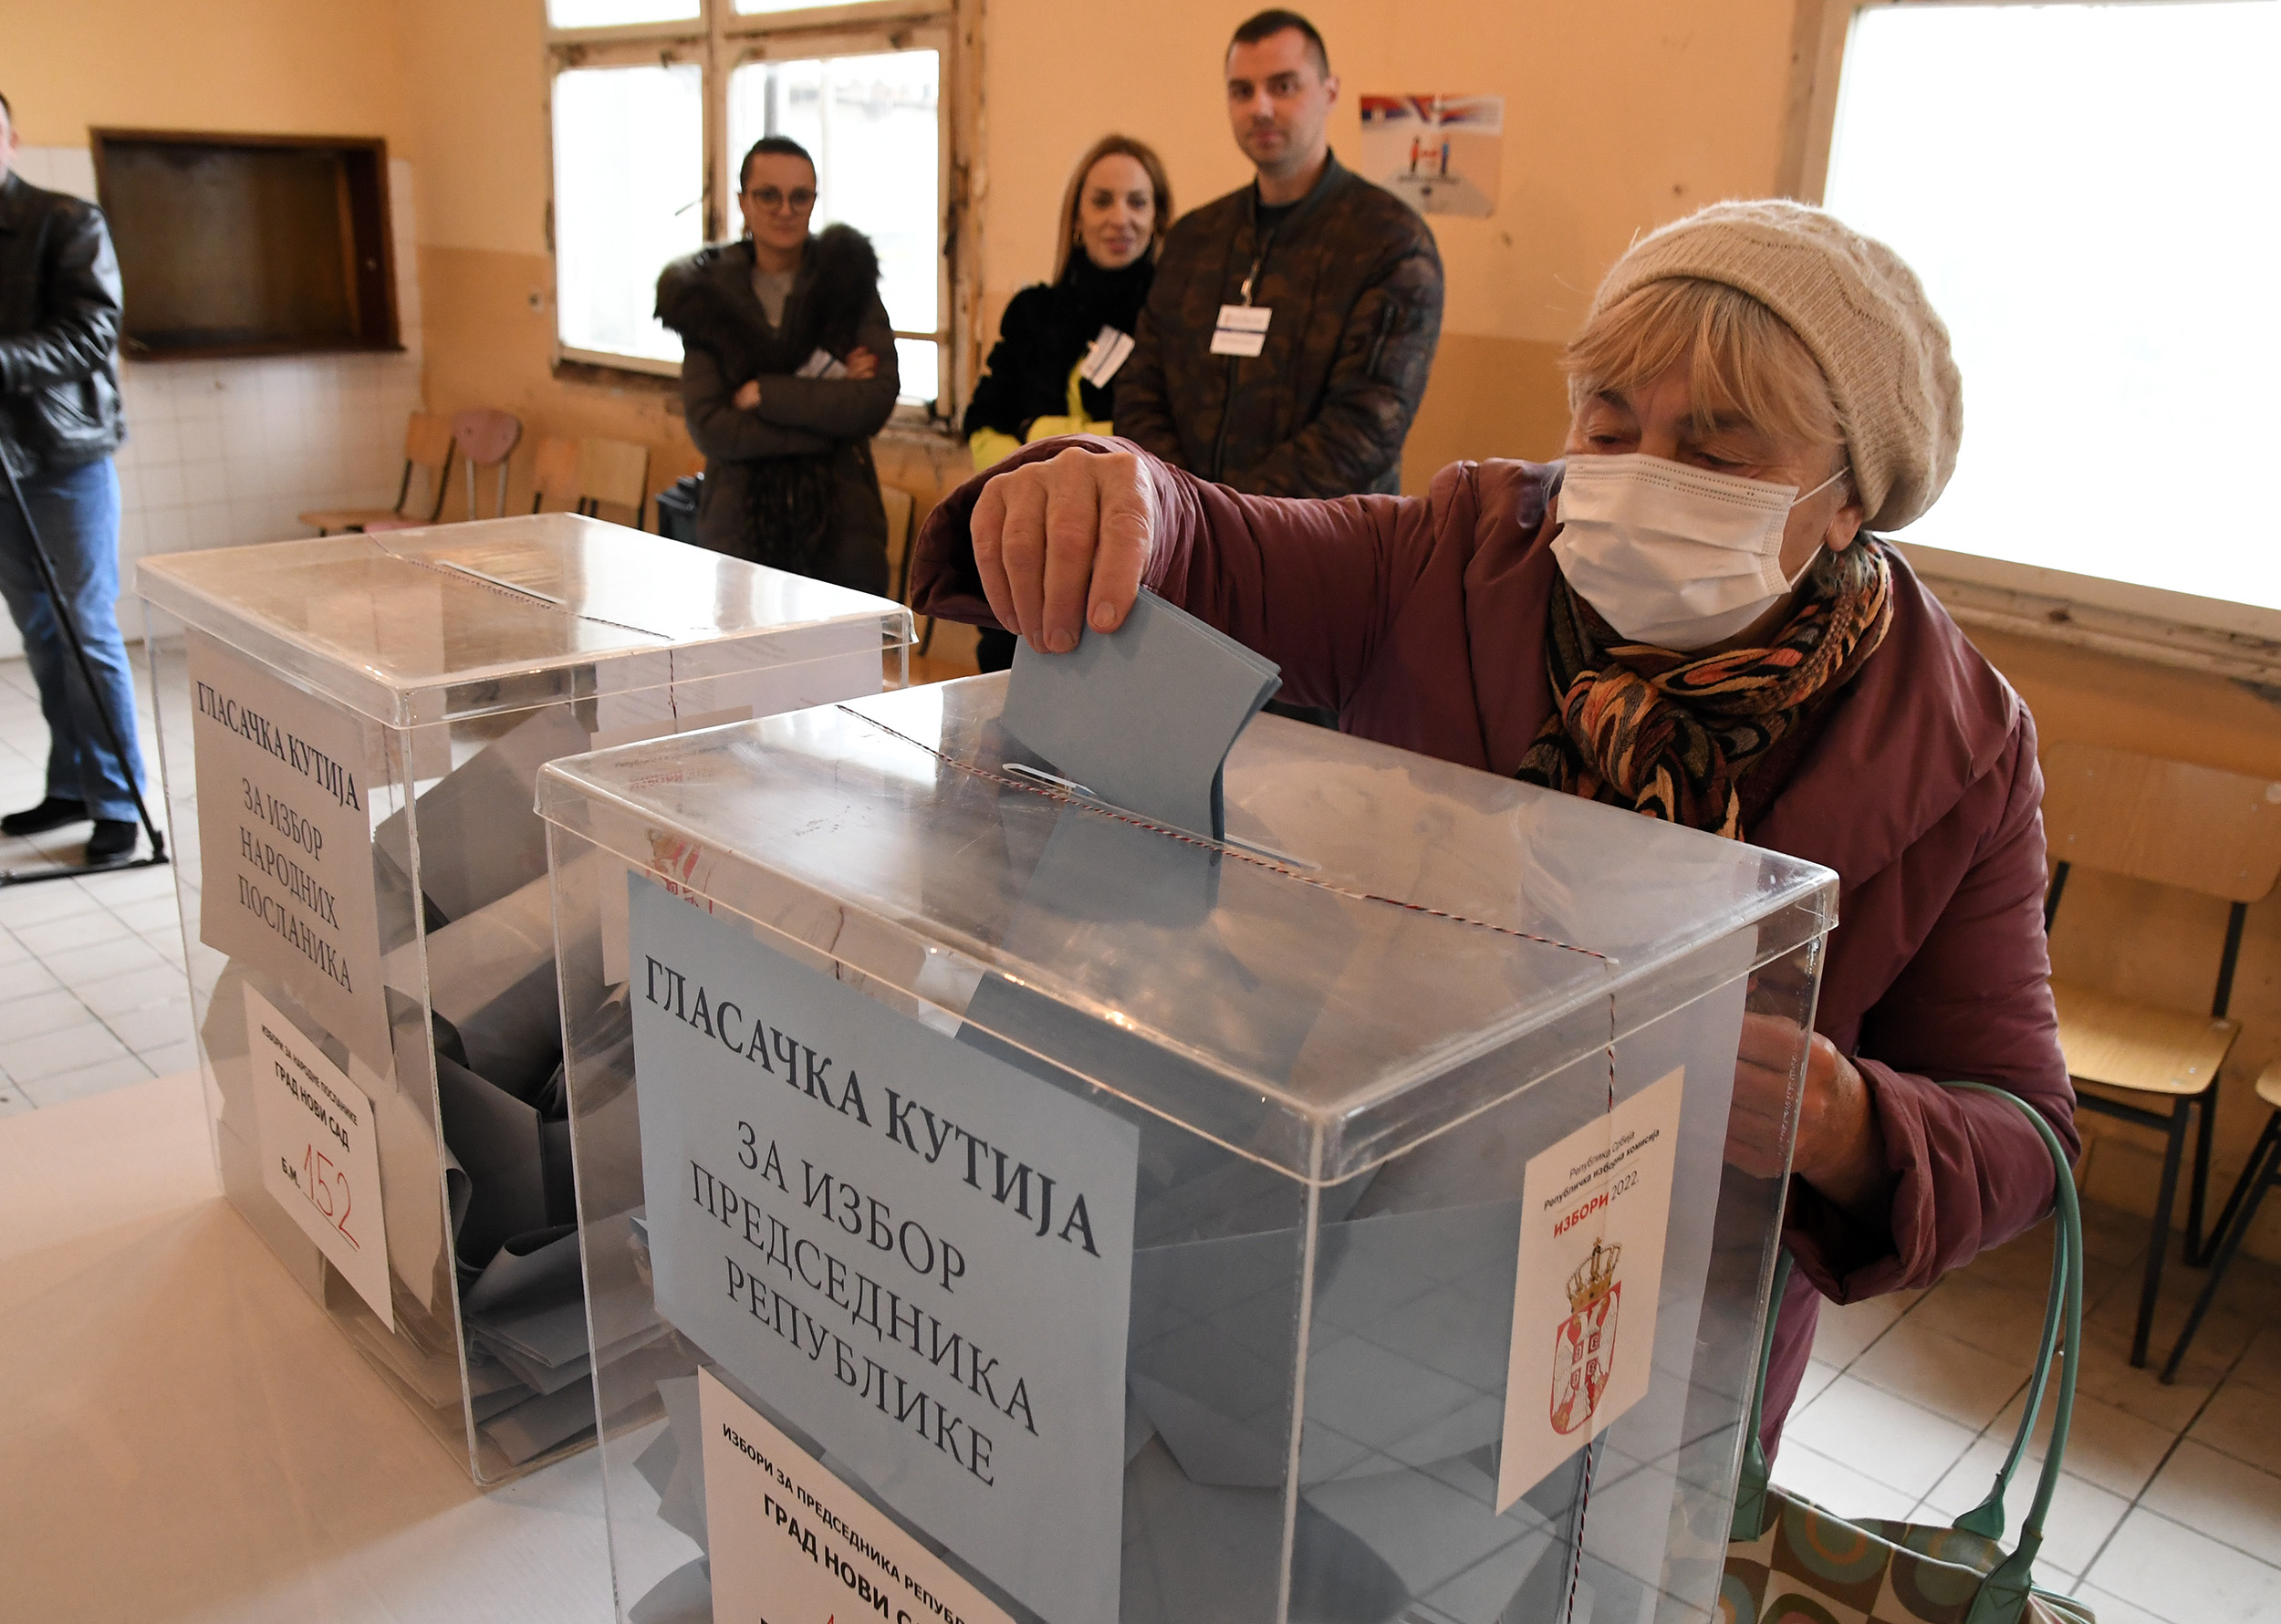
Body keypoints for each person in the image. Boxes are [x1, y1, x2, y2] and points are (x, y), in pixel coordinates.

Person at [911, 200, 2076, 1452]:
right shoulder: (1461, 554)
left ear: (1850, 500)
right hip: (1343, 1259)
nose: (1640, 476)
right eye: (1609, 426)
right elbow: (1224, 545)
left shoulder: (1956, 747)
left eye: (1718, 453)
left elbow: (2022, 1129)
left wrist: (1855, 1128)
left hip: (1656, 1349)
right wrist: (1113, 493)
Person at [1113, 9, 1443, 500]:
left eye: (1283, 86)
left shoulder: (1389, 242)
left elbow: (1365, 427)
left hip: (1323, 550)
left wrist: (1230, 521)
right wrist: (1183, 505)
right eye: (1241, 91)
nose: (1260, 107)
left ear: (1329, 93)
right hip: (1184, 542)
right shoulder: (1195, 239)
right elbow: (1141, 389)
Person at [962, 135, 1172, 671]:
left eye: (1137, 202)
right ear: (1076, 217)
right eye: (1102, 200)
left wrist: (1042, 434)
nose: (1119, 218)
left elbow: (1161, 444)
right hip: (1025, 552)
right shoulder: (1033, 313)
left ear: (1159, 218)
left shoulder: (1174, 323)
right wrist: (1053, 462)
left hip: (1134, 562)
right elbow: (984, 421)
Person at [0, 89, 144, 866]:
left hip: (64, 459)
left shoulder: (66, 221)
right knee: (42, 638)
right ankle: (71, 787)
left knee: (87, 632)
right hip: (0, 464)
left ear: (11, 140)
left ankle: (118, 804)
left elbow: (91, 334)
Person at [656, 135, 897, 595]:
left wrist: (767, 394)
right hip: (739, 531)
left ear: (813, 201)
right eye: (768, 195)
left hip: (844, 528)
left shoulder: (849, 284)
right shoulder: (705, 298)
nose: (785, 210)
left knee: (841, 663)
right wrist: (827, 421)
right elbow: (712, 425)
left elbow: (873, 400)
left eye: (799, 196)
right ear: (743, 202)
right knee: (746, 662)